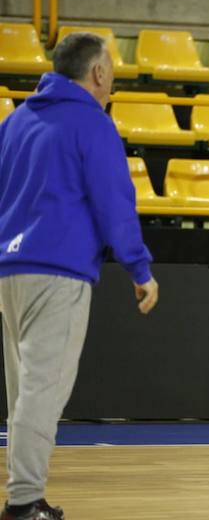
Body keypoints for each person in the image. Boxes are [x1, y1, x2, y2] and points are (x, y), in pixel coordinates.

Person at [0, 33, 159, 520]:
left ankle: (25, 495)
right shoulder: (92, 124)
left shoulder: (16, 121)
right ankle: (23, 501)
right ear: (97, 74)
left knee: (22, 391)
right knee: (41, 392)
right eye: (110, 70)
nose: (112, 80)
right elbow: (115, 201)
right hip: (58, 272)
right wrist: (139, 268)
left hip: (9, 270)